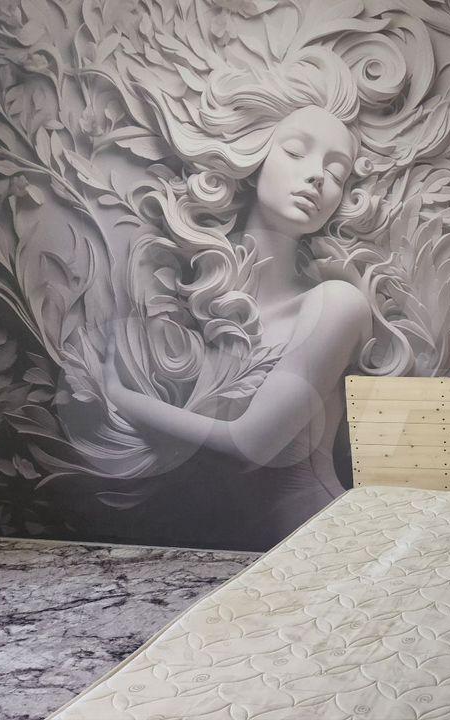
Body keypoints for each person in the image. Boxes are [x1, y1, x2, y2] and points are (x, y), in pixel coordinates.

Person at [99, 49, 373, 547]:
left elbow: (253, 445)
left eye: (337, 172)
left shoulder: (336, 304)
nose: (318, 176)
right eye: (296, 152)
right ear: (253, 157)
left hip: (312, 545)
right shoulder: (193, 305)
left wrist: (119, 397)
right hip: (214, 553)